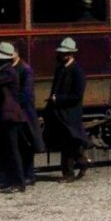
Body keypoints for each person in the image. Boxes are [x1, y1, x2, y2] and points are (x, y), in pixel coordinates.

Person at [0, 41, 28, 191]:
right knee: (6, 149)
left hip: (10, 116)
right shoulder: (5, 70)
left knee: (12, 149)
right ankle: (10, 180)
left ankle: (19, 182)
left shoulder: (9, 72)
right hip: (4, 115)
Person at [45, 37, 90, 182]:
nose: (60, 55)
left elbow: (77, 95)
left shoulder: (77, 71)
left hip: (70, 113)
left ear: (70, 54)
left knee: (69, 144)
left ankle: (69, 173)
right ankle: (82, 162)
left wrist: (58, 99)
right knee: (68, 144)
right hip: (60, 113)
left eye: (64, 53)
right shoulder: (60, 69)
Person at [10, 43, 45, 185]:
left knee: (26, 145)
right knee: (16, 145)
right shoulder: (9, 69)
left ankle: (29, 174)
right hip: (15, 112)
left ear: (16, 53)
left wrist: (13, 103)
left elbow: (27, 94)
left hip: (24, 113)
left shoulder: (25, 69)